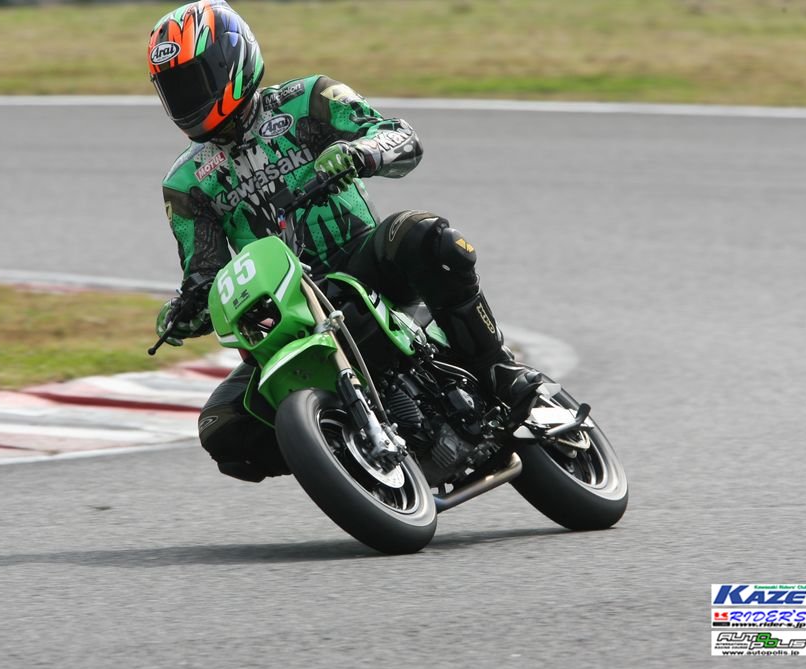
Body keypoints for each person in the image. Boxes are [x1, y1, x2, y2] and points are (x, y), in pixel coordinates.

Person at [149, 0, 537, 482]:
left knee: (425, 233)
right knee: (222, 428)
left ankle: (498, 370)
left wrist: (359, 152)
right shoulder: (185, 184)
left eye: (194, 82)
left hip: (362, 263)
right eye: (174, 89)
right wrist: (187, 310)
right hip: (284, 311)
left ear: (233, 60)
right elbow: (204, 277)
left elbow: (400, 136)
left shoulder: (308, 97)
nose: (186, 99)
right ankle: (344, 445)